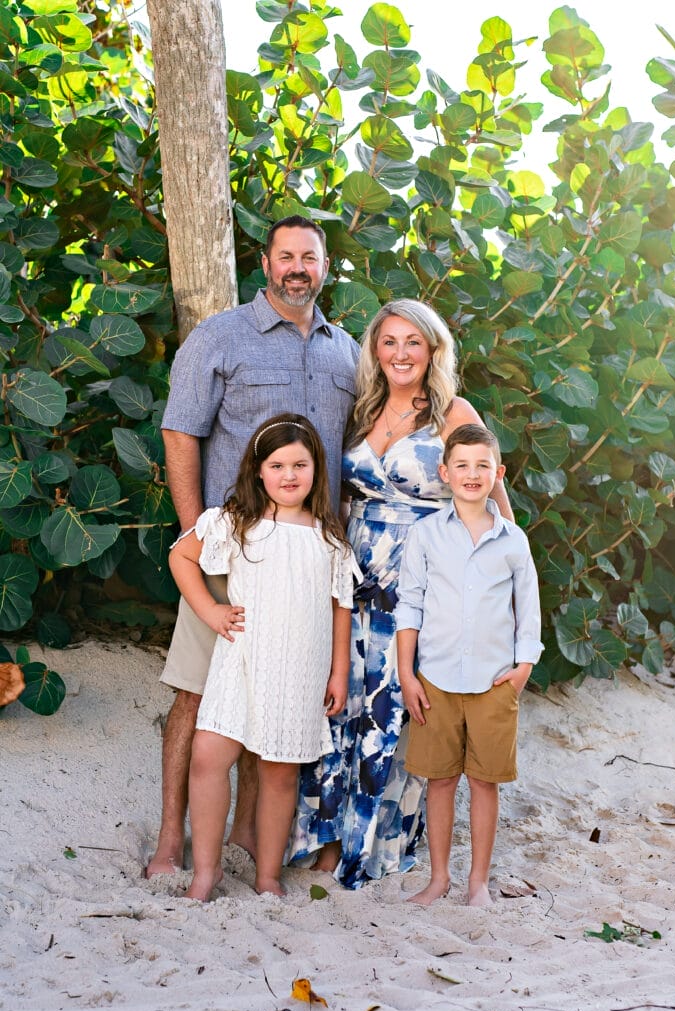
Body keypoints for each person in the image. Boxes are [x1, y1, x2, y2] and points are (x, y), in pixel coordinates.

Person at [146, 215, 359, 877]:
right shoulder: (221, 336)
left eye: (309, 257)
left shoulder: (346, 353)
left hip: (304, 562)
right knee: (196, 694)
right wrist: (198, 535)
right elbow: (180, 432)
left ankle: (245, 834)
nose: (297, 268)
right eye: (285, 256)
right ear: (265, 264)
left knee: (273, 693)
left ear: (324, 268)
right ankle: (170, 838)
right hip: (229, 553)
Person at [288, 299, 514, 889]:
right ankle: (330, 841)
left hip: (425, 581)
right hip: (355, 574)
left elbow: (496, 507)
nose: (401, 354)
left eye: (413, 342)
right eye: (389, 342)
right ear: (375, 351)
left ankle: (375, 847)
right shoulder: (362, 410)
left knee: (393, 707)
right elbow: (341, 498)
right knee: (343, 705)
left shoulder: (453, 412)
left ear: (433, 350)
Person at [169, 416, 358, 899]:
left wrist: (338, 672)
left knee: (279, 770)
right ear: (258, 470)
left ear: (317, 469)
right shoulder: (235, 522)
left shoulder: (329, 538)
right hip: (241, 661)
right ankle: (206, 873)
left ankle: (268, 877)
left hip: (299, 668)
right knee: (208, 757)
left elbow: (341, 606)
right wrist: (210, 611)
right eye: (277, 465)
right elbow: (181, 557)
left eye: (300, 464)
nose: (289, 475)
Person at [395, 423, 543, 906]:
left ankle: (477, 882)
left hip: (494, 681)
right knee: (439, 781)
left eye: (483, 465)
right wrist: (407, 674)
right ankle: (439, 879)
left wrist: (523, 669)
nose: (472, 473)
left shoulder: (513, 540)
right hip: (435, 678)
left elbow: (528, 609)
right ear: (445, 472)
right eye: (461, 465)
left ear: (498, 473)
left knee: (484, 781)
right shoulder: (425, 535)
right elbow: (410, 605)